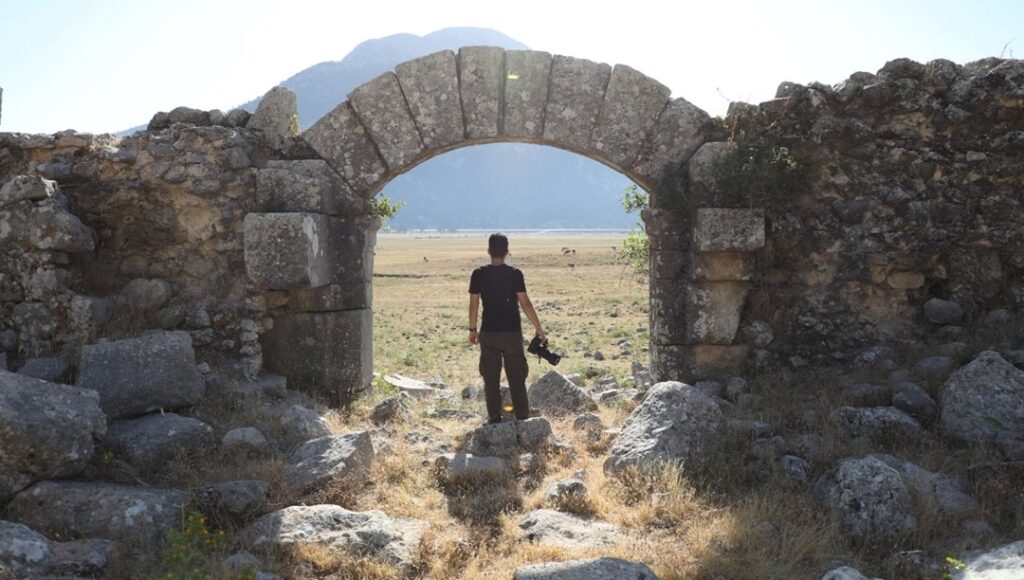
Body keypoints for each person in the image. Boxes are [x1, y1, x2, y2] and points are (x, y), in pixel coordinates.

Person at [468, 233, 546, 423]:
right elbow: (525, 304)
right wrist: (539, 329)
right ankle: (522, 419)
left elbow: (474, 304)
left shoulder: (478, 274)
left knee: (491, 378)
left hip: (489, 333)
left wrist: (472, 329)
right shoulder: (515, 274)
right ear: (507, 252)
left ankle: (495, 419)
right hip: (512, 333)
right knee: (517, 377)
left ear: (488, 251)